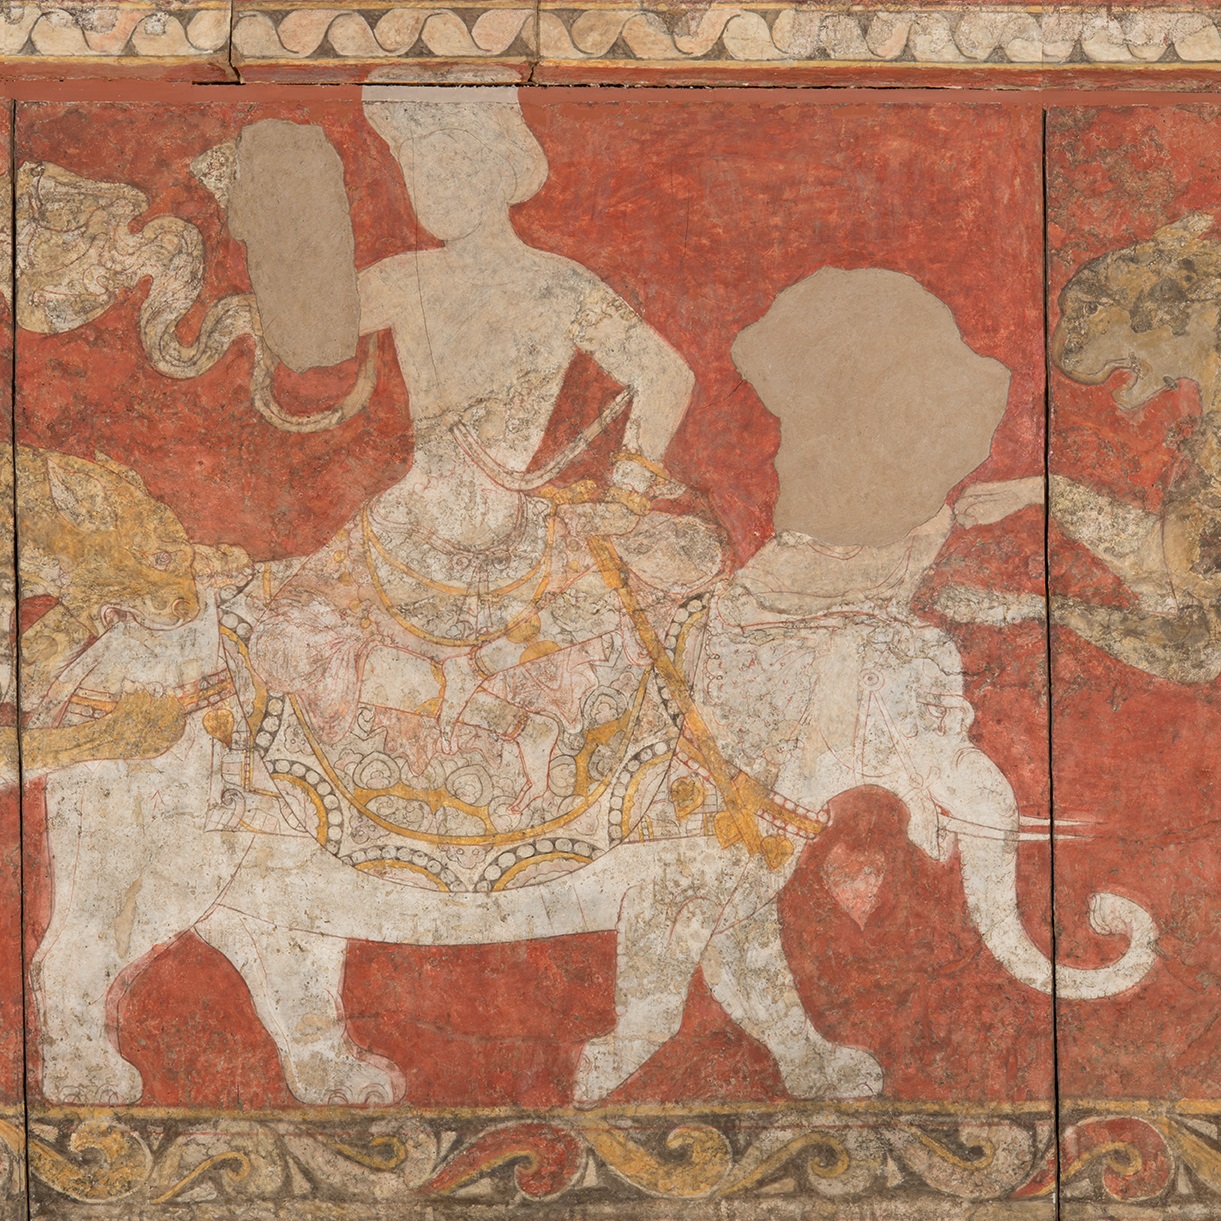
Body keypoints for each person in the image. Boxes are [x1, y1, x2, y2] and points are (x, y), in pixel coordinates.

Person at [247, 96, 722, 821]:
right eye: (416, 172)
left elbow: (665, 374)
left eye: (451, 167)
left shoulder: (561, 286)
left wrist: (626, 496)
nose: (430, 188)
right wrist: (284, 195)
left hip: (521, 534)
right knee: (279, 642)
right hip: (407, 527)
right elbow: (309, 337)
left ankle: (483, 704)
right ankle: (475, 707)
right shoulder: (406, 277)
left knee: (680, 577)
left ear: (499, 172)